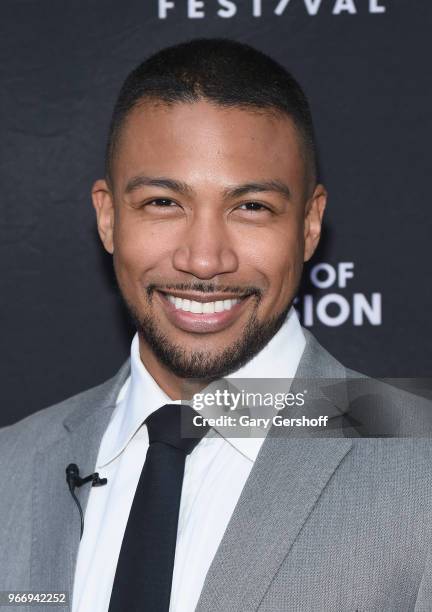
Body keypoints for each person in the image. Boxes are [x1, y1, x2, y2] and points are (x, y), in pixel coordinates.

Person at [1, 38, 432, 612]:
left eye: (251, 207)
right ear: (108, 218)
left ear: (309, 225)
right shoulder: (14, 463)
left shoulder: (419, 460)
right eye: (162, 203)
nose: (204, 260)